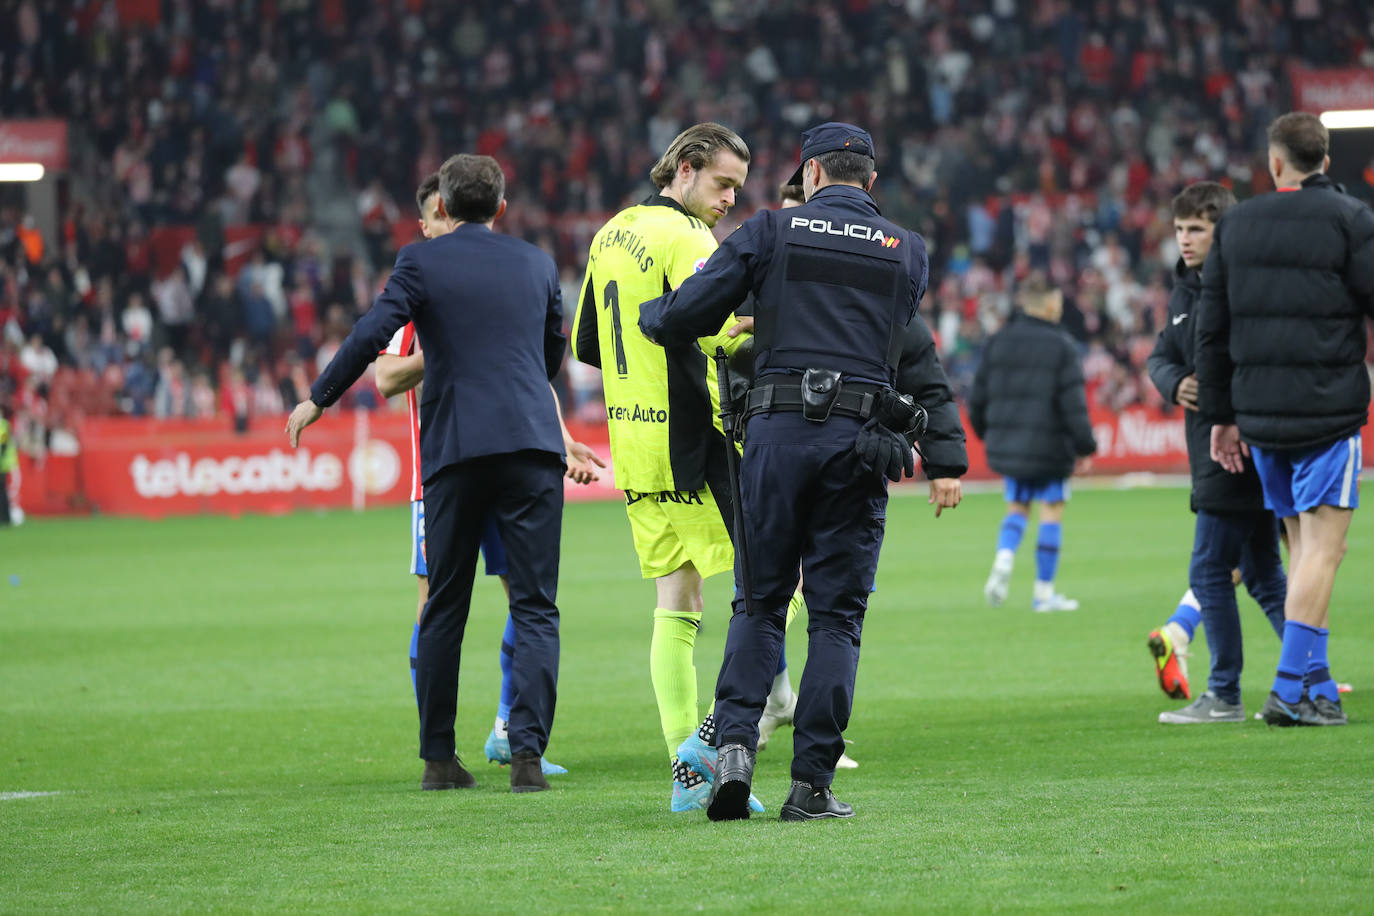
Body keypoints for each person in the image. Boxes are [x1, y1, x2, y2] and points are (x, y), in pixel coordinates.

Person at [640, 122, 964, 822]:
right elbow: (898, 343)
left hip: (777, 439)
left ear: (810, 174)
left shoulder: (769, 232)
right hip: (860, 442)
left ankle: (731, 755)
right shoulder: (908, 251)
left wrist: (654, 317)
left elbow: (694, 311)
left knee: (758, 606)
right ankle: (811, 786)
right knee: (837, 621)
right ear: (870, 182)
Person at [286, 153, 568, 790]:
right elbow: (553, 351)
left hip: (456, 449)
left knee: (444, 606)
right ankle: (527, 760)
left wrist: (319, 397)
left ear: (440, 206)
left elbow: (371, 334)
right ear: (499, 207)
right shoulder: (537, 263)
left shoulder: (420, 261)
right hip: (529, 445)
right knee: (535, 606)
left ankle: (439, 760)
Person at [569, 122, 773, 813]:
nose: (728, 202)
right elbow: (715, 327)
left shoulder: (609, 234)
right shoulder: (687, 239)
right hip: (696, 440)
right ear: (685, 168)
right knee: (780, 585)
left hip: (633, 444)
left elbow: (586, 344)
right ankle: (711, 741)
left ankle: (686, 775)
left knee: (676, 603)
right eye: (722, 184)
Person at [375, 172, 604, 775]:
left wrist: (563, 439)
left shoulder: (495, 276)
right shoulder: (418, 293)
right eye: (428, 218)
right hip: (441, 469)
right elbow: (386, 378)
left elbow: (529, 370)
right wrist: (458, 343)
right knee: (438, 605)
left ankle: (509, 728)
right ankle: (439, 749)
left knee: (520, 598)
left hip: (509, 447)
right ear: (425, 224)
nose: (437, 225)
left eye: (441, 214)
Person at [1196, 112, 1374, 727]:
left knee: (1302, 549)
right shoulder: (1351, 219)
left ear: (1275, 165)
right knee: (1326, 550)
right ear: (1324, 159)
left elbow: (1210, 329)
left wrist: (1221, 416)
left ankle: (1319, 689)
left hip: (1259, 419)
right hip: (1328, 411)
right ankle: (1288, 688)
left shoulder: (1238, 223)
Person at [1144, 182, 1288, 722]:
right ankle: (1311, 672)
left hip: (1233, 449)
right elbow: (1159, 355)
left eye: (1197, 229)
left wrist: (1225, 403)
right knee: (1264, 575)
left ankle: (1224, 692)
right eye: (1180, 229)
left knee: (1209, 570)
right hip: (1216, 446)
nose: (1185, 239)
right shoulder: (1184, 290)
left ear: (1220, 229)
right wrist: (1173, 380)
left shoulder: (1239, 288)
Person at [970, 273, 1096, 612]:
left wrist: (991, 435)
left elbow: (977, 399)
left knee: (1017, 507)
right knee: (1051, 510)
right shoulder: (1062, 346)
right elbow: (1074, 405)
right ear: (1052, 304)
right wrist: (1085, 446)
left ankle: (1005, 557)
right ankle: (1043, 593)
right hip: (1051, 449)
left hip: (1010, 446)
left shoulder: (999, 341)